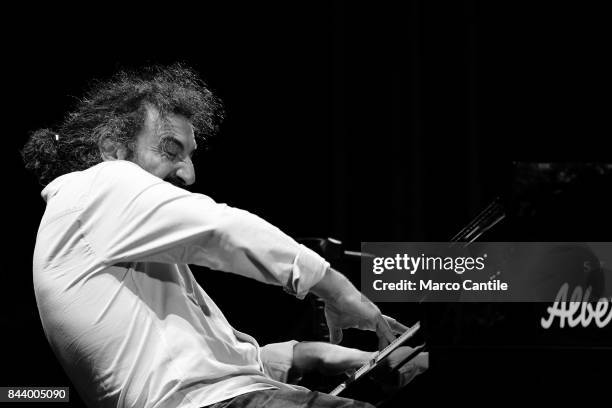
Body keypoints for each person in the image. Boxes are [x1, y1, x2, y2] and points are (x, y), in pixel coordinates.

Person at [23, 64, 427, 408]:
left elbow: (208, 363)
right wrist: (337, 290)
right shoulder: (96, 186)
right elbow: (222, 227)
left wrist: (332, 356)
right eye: (170, 149)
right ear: (112, 148)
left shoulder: (108, 238)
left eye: (190, 153)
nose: (189, 174)